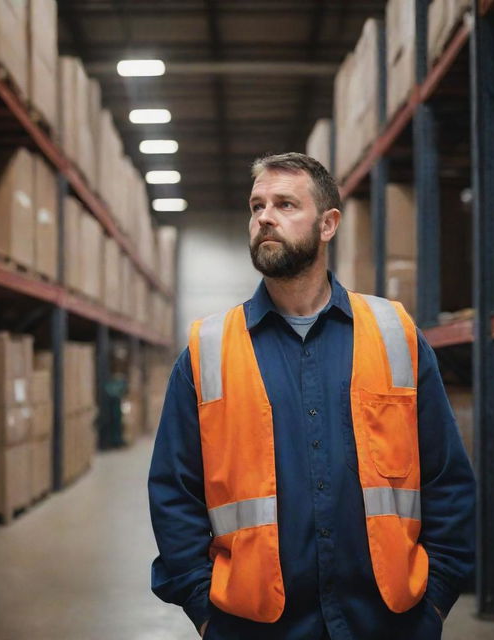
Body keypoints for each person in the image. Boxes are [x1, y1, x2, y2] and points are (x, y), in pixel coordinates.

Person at [148, 152, 475, 640]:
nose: (265, 218)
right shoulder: (207, 350)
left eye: (285, 204)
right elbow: (174, 494)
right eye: (256, 206)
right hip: (256, 627)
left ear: (328, 224)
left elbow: (446, 476)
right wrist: (204, 610)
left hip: (386, 622)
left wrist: (436, 601)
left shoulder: (394, 335)